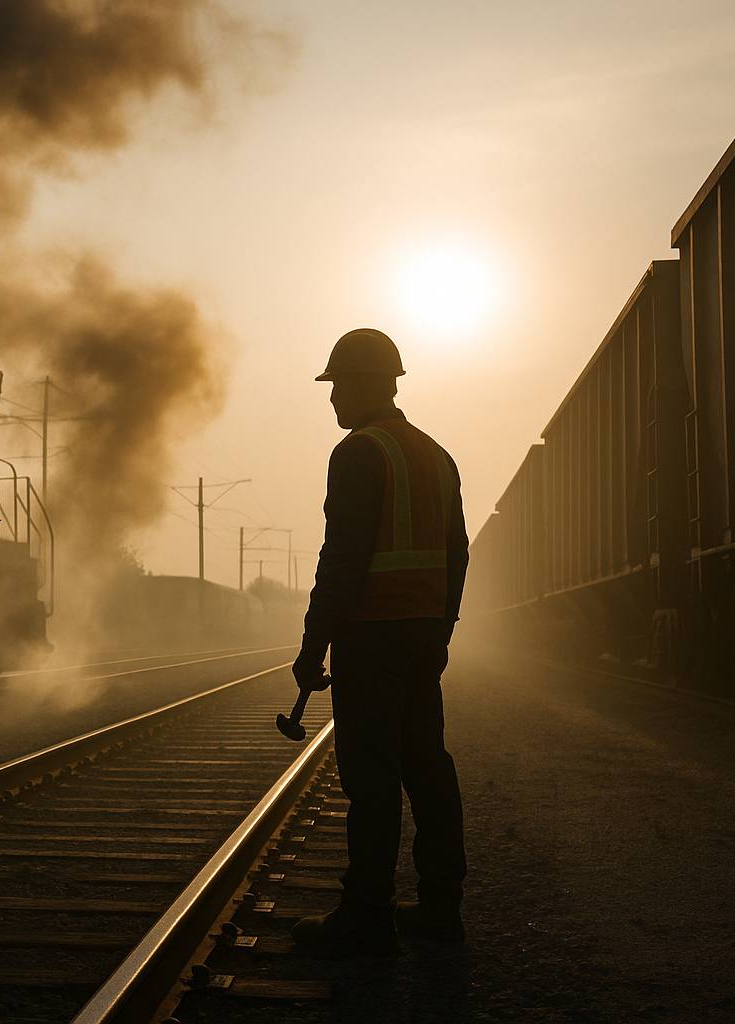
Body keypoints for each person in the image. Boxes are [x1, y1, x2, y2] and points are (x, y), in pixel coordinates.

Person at [290, 327, 470, 958]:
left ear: (365, 384)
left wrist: (313, 645)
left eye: (337, 384)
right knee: (427, 766)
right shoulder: (435, 455)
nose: (332, 398)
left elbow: (342, 558)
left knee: (371, 777)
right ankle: (441, 909)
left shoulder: (359, 454)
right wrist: (441, 630)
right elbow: (458, 553)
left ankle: (366, 915)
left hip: (370, 637)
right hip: (421, 637)